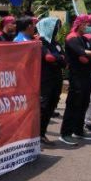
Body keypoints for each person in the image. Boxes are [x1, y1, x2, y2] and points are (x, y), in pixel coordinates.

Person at [59, 15, 91, 146]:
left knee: (84, 103)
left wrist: (88, 54)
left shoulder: (84, 38)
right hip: (77, 76)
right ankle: (65, 133)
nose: (87, 26)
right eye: (85, 24)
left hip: (86, 75)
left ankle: (78, 130)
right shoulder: (72, 37)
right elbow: (81, 52)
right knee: (73, 104)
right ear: (79, 24)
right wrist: (87, 54)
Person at [36, 18, 66, 146]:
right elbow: (48, 58)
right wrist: (58, 58)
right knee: (43, 107)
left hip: (56, 78)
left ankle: (42, 134)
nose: (56, 30)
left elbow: (65, 61)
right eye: (54, 27)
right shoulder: (40, 42)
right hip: (45, 79)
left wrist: (58, 59)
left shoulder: (56, 43)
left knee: (51, 106)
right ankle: (36, 135)